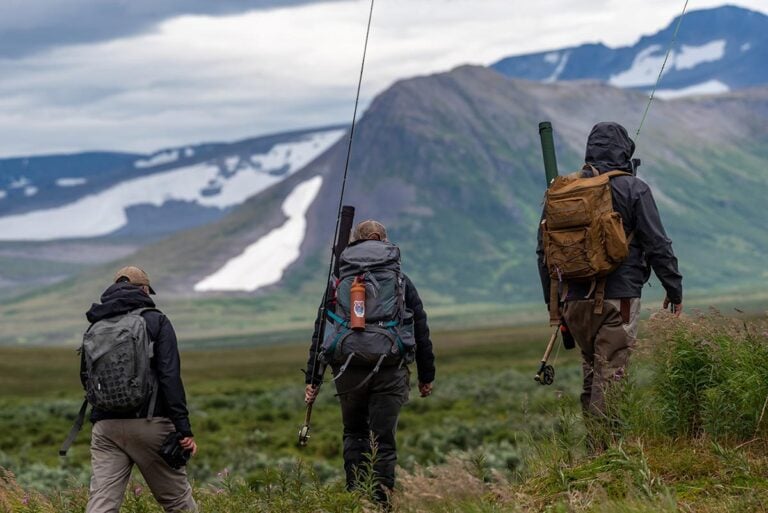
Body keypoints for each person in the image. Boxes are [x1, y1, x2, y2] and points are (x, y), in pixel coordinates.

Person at [537, 122, 683, 441]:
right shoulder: (634, 188)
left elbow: (543, 254)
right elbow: (657, 244)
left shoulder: (561, 191)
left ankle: (596, 453)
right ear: (624, 150)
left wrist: (556, 307)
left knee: (592, 375)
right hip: (620, 301)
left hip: (573, 302)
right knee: (612, 376)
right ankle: (606, 457)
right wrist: (674, 288)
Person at [304, 220, 435, 507]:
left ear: (355, 242)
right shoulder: (400, 278)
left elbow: (321, 329)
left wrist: (313, 380)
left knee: (354, 433)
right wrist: (427, 375)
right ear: (383, 240)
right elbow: (420, 328)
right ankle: (381, 504)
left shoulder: (340, 279)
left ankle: (356, 500)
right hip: (390, 369)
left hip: (347, 369)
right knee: (383, 441)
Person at [83, 266, 197, 513]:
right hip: (150, 423)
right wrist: (183, 428)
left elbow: (86, 378)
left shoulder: (96, 325)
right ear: (144, 289)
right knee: (177, 502)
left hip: (105, 428)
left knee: (102, 503)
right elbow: (170, 377)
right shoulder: (157, 321)